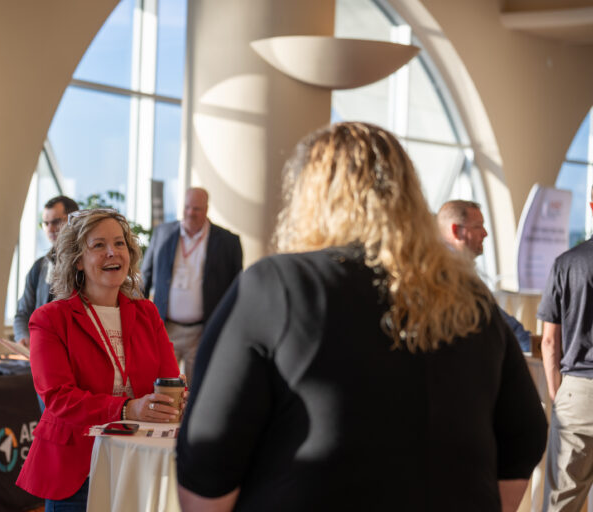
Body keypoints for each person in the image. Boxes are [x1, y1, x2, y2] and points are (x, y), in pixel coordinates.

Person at [176, 122, 547, 511]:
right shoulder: (470, 300)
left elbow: (206, 460)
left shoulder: (278, 287)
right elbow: (525, 436)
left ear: (309, 198)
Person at [16, 208, 185, 511]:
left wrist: (176, 399)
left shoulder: (147, 313)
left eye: (120, 243)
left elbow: (168, 381)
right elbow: (58, 397)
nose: (113, 252)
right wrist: (127, 407)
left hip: (137, 463)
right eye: (99, 245)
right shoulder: (50, 319)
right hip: (77, 470)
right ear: (78, 259)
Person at [141, 187, 242, 384]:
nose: (190, 213)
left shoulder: (228, 242)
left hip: (202, 331)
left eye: (196, 209)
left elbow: (236, 290)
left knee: (197, 389)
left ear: (206, 209)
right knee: (160, 385)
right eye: (187, 207)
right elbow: (146, 275)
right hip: (166, 329)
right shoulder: (163, 234)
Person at [537, 186, 593, 511]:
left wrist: (558, 394)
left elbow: (548, 341)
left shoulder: (566, 263)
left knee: (563, 501)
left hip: (577, 393)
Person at [437, 199, 533, 352]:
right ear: (455, 231)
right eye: (477, 226)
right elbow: (494, 319)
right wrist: (529, 344)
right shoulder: (447, 274)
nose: (485, 233)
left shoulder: (458, 270)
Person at [14, 195, 79, 347]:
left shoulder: (87, 265)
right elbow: (23, 313)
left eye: (56, 222)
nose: (50, 229)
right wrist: (24, 337)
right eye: (46, 223)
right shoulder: (38, 267)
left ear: (74, 222)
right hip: (41, 351)